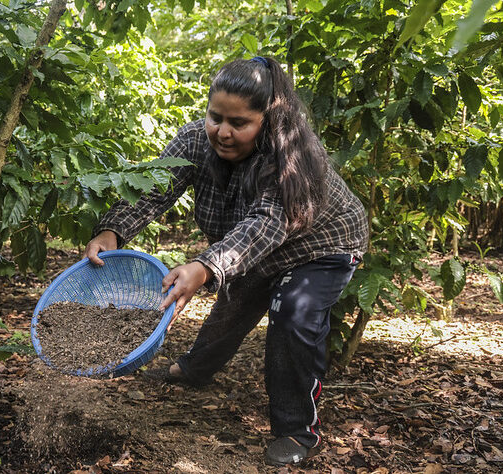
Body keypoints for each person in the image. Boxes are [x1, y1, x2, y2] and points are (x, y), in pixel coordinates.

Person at [84, 56, 368, 466]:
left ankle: (295, 430)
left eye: (239, 123)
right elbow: (153, 188)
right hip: (253, 245)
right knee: (235, 301)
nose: (223, 132)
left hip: (322, 245)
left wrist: (204, 266)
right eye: (215, 117)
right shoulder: (194, 141)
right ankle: (195, 369)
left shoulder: (293, 157)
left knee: (292, 313)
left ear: (268, 120)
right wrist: (113, 229)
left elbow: (267, 223)